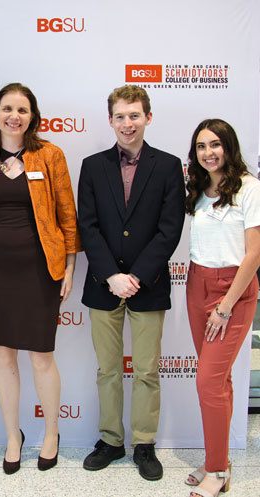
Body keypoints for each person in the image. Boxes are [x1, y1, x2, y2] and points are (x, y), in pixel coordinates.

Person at [0, 82, 80, 473]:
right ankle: (13, 435)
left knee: (42, 355)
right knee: (2, 355)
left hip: (40, 266)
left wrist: (70, 267)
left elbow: (66, 215)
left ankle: (50, 432)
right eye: (7, 108)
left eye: (22, 110)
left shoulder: (50, 155)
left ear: (33, 117)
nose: (14, 116)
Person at [78, 85, 185, 481]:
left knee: (146, 371)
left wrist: (136, 276)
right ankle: (110, 440)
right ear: (110, 120)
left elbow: (170, 228)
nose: (127, 123)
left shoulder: (169, 165)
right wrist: (112, 275)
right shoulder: (92, 165)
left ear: (148, 118)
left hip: (148, 285)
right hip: (103, 285)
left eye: (135, 115)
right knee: (107, 369)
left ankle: (144, 443)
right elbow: (87, 226)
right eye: (120, 116)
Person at [183, 119, 260, 497]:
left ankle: (216, 469)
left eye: (215, 145)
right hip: (196, 283)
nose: (208, 152)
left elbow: (254, 255)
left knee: (208, 381)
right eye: (201, 146)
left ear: (229, 147)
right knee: (219, 381)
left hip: (233, 291)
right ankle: (220, 458)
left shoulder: (249, 188)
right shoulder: (198, 187)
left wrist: (226, 306)